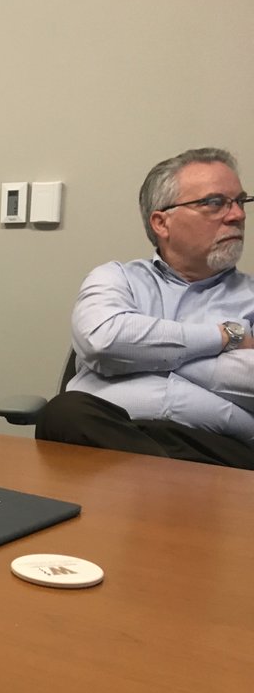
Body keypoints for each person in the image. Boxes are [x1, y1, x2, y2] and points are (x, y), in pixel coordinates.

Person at [37, 147, 254, 468]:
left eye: (240, 201)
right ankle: (167, 486)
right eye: (214, 203)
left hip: (220, 450)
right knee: (65, 413)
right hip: (113, 433)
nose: (237, 215)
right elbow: (104, 342)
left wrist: (140, 354)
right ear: (161, 223)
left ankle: (155, 486)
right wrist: (223, 338)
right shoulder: (115, 279)